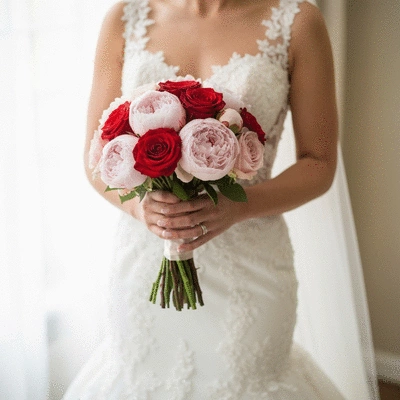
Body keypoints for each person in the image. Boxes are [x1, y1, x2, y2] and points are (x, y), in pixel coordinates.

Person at [63, 0, 354, 398]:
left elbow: (318, 163)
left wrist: (240, 206)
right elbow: (95, 157)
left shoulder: (298, 21)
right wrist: (139, 207)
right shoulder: (124, 18)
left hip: (250, 269)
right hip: (145, 260)